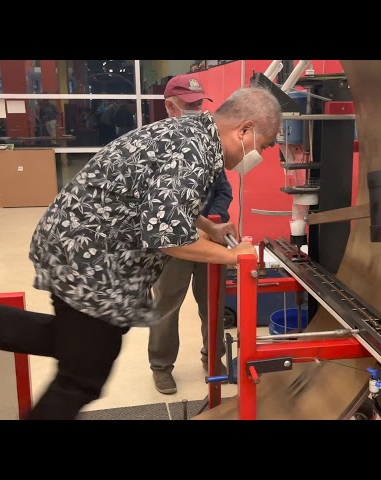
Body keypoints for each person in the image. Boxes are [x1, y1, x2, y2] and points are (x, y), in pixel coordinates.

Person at [0, 85, 282, 420]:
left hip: (81, 245)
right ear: (245, 130)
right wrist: (235, 255)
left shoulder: (195, 136)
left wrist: (210, 229)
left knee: (78, 344)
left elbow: (156, 197)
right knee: (83, 377)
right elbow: (167, 236)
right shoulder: (194, 151)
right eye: (263, 146)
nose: (260, 155)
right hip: (89, 255)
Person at [149, 73, 233, 395]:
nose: (196, 109)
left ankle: (213, 359)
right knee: (167, 304)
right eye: (189, 104)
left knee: (213, 304)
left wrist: (217, 217)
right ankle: (161, 366)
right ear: (170, 106)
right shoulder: (155, 144)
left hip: (210, 238)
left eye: (199, 104)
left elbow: (223, 188)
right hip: (172, 243)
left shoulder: (207, 141)